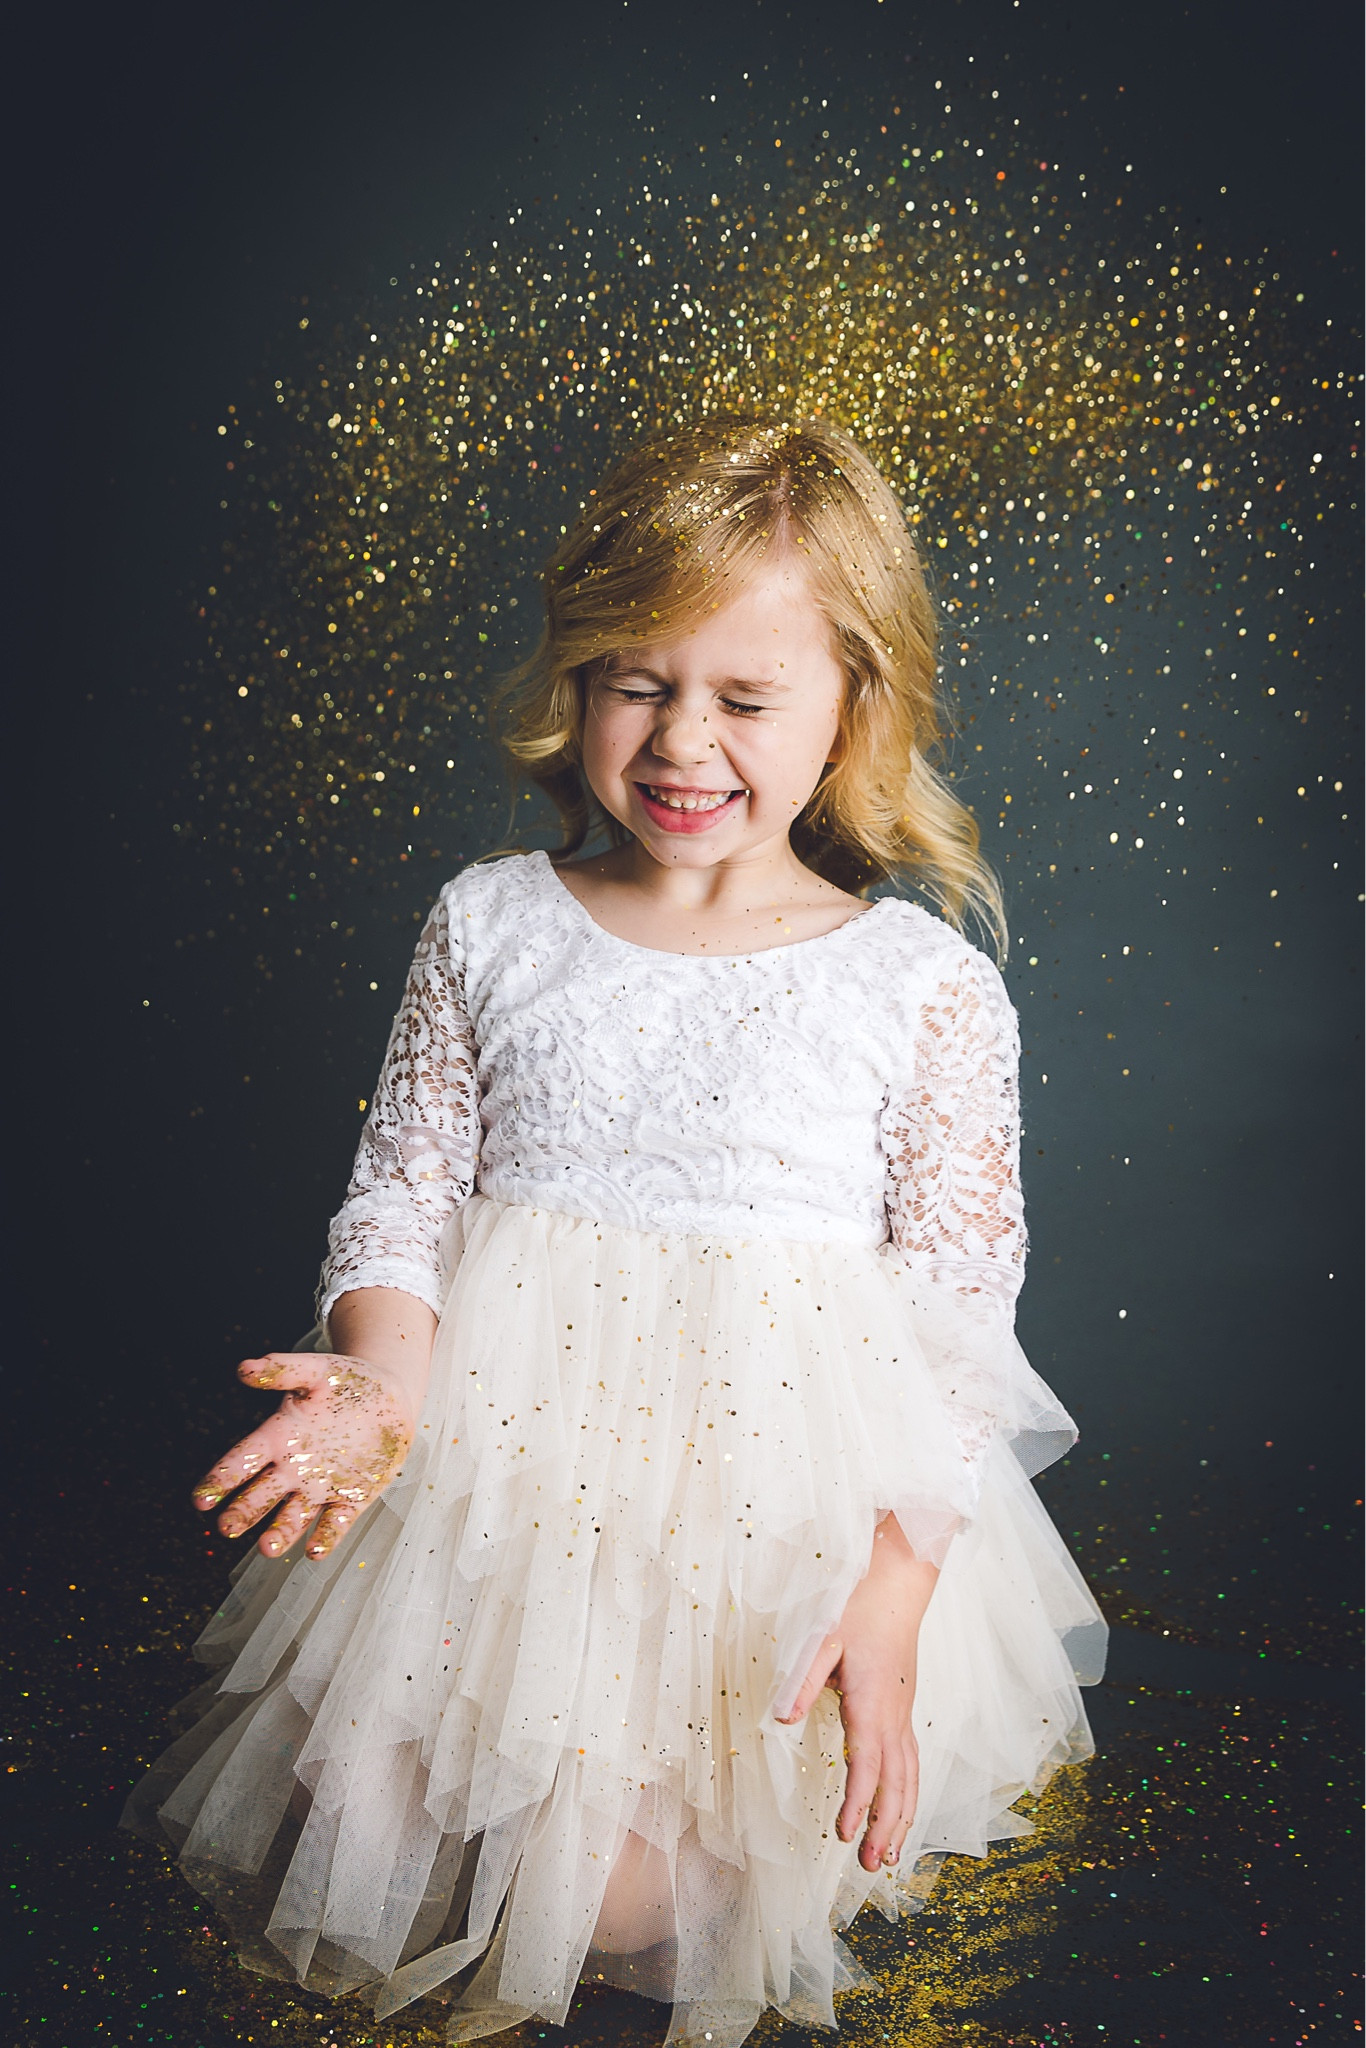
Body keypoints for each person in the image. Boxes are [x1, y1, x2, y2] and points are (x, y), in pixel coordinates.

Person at [122, 414, 1107, 2048]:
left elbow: (956, 1323)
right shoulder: (491, 920)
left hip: (773, 1508)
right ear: (578, 681)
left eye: (744, 698)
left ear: (854, 703)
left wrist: (889, 1593)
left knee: (618, 1908)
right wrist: (380, 1383)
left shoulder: (920, 987)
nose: (680, 742)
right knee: (353, 1824)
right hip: (502, 1476)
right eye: (635, 684)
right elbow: (403, 1192)